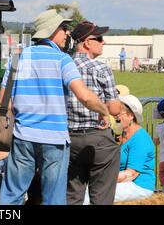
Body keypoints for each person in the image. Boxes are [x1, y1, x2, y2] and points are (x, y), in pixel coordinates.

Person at [0, 9, 111, 205]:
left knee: (11, 195)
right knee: (54, 198)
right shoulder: (63, 59)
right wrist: (104, 111)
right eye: (64, 28)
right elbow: (84, 96)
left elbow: (4, 100)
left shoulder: (18, 57)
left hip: (23, 135)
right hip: (54, 139)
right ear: (52, 31)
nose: (67, 33)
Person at [66, 21, 121, 205]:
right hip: (97, 136)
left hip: (68, 138)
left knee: (72, 195)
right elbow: (114, 109)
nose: (103, 42)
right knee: (102, 196)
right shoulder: (101, 68)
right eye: (100, 38)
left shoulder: (63, 65)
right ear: (88, 42)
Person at [84, 94, 155, 203]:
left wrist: (102, 180)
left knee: (91, 194)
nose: (115, 116)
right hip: (123, 183)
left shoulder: (140, 138)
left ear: (131, 115)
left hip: (139, 186)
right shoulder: (120, 135)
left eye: (119, 113)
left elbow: (131, 174)